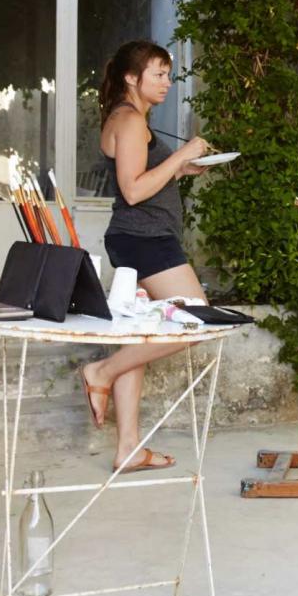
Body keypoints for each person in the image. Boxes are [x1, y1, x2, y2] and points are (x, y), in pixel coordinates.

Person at [79, 40, 210, 473]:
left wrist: (180, 167)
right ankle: (101, 372)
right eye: (158, 74)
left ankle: (129, 448)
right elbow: (134, 191)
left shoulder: (128, 118)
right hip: (146, 238)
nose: (167, 83)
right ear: (133, 78)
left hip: (138, 237)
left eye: (168, 75)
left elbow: (143, 178)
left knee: (139, 334)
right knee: (195, 322)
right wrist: (180, 156)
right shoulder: (131, 120)